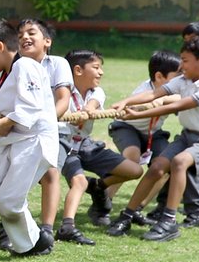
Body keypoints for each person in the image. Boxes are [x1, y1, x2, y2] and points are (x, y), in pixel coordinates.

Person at [105, 37, 199, 240]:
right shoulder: (184, 80)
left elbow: (175, 106)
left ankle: (168, 221)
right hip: (187, 136)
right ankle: (127, 215)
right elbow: (154, 94)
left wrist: (137, 114)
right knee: (156, 167)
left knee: (180, 162)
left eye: (185, 60)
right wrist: (125, 101)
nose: (181, 65)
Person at [53, 50, 142, 245]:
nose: (101, 72)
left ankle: (99, 187)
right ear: (77, 70)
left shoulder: (96, 91)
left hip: (85, 144)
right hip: (63, 141)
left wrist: (89, 110)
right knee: (79, 182)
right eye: (96, 67)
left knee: (135, 170)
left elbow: (93, 103)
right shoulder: (61, 91)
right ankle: (67, 226)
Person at [0, 21, 56, 256]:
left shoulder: (25, 65)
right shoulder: (1, 77)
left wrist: (2, 123)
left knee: (8, 201)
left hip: (34, 141)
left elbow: (31, 107)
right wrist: (1, 123)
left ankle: (35, 242)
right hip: (13, 141)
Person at [99, 49, 181, 224]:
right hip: (127, 127)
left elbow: (183, 100)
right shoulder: (144, 91)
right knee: (132, 159)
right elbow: (134, 109)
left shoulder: (177, 91)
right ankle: (103, 203)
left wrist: (164, 101)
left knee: (166, 165)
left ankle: (137, 208)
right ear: (159, 77)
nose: (183, 78)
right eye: (178, 74)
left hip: (153, 133)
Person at [18, 19, 72, 253]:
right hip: (22, 132)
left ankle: (46, 228)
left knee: (50, 169)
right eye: (20, 35)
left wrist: (45, 123)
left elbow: (63, 99)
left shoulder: (57, 64)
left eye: (31, 33)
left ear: (47, 41)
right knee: (14, 174)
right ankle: (14, 224)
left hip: (54, 130)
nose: (24, 38)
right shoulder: (17, 66)